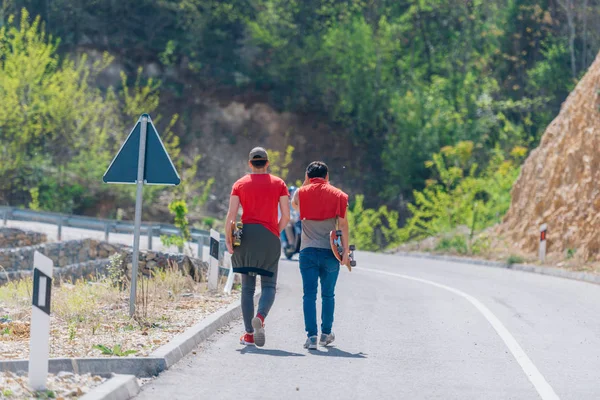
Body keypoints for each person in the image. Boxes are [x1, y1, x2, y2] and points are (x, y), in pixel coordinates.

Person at [225, 147, 290, 347]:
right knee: (269, 286)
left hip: (246, 238)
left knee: (247, 288)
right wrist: (274, 233)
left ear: (250, 163)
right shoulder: (279, 183)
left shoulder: (240, 184)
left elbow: (231, 217)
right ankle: (260, 318)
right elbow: (286, 216)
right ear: (267, 163)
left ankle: (249, 334)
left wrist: (229, 240)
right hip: (269, 237)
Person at [291, 161, 350, 350]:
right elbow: (343, 225)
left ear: (308, 177)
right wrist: (346, 253)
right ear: (327, 176)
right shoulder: (339, 196)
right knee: (328, 294)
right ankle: (326, 334)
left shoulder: (301, 193)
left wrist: (305, 183)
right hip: (330, 252)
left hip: (307, 251)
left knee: (309, 294)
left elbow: (294, 206)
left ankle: (312, 337)